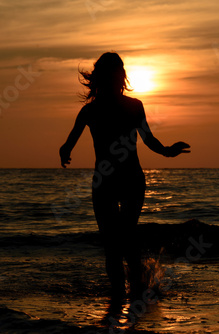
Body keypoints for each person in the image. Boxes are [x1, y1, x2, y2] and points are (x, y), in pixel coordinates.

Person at [59, 52, 190, 300]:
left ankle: (126, 296)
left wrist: (167, 151)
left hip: (117, 181)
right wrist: (167, 152)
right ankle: (131, 295)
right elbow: (69, 143)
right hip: (119, 181)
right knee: (121, 241)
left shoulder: (108, 109)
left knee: (118, 242)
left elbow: (68, 145)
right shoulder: (108, 109)